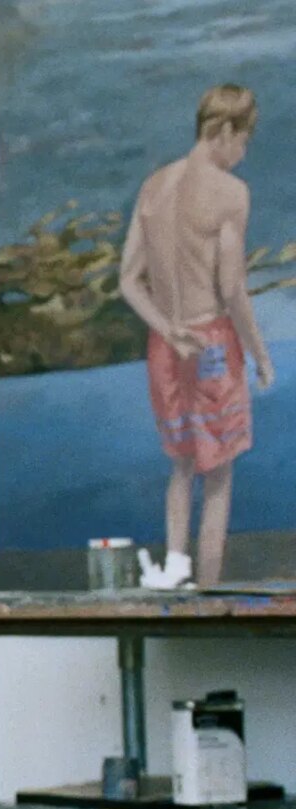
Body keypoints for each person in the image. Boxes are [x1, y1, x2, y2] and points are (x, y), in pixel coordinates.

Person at [120, 83, 274, 590]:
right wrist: (259, 354)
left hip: (166, 345)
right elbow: (231, 287)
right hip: (210, 343)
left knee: (182, 467)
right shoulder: (231, 194)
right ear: (225, 132)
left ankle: (174, 573)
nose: (243, 153)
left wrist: (166, 327)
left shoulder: (154, 186)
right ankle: (207, 592)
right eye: (244, 140)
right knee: (220, 477)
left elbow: (128, 281)